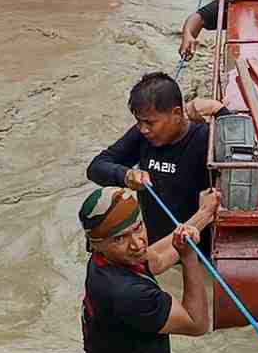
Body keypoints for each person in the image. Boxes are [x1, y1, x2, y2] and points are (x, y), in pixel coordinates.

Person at [80, 186, 215, 353]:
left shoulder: (106, 260)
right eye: (120, 238)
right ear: (96, 243)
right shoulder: (127, 294)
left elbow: (158, 259)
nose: (137, 243)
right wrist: (190, 259)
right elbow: (197, 323)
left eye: (138, 227)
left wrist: (204, 214)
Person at [86, 73, 229, 254]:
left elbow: (243, 161)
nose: (143, 129)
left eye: (150, 123)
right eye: (139, 121)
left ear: (176, 113)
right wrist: (126, 175)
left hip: (197, 248)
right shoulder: (142, 136)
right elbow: (96, 167)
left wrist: (220, 110)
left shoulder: (205, 137)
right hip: (154, 247)